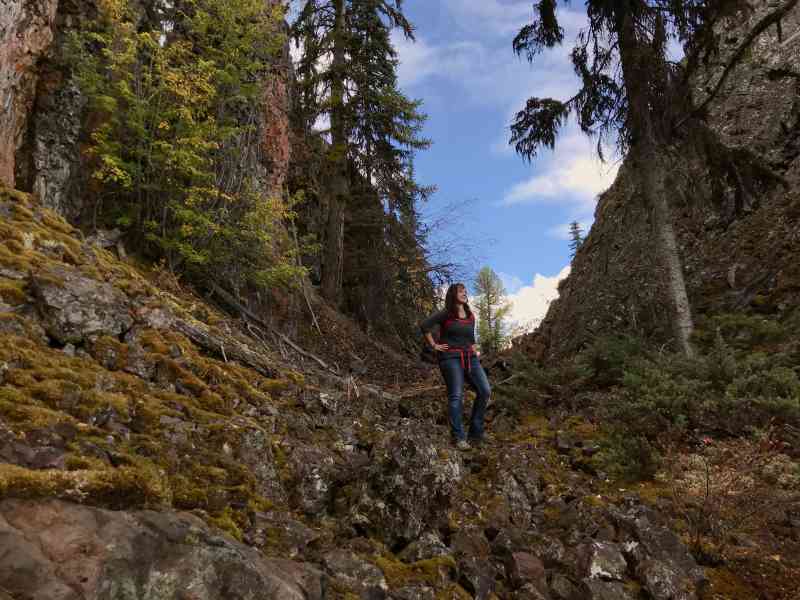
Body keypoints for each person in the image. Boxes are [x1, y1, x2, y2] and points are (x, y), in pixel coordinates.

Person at [420, 283, 491, 450]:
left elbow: (471, 340)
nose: (464, 293)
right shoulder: (446, 314)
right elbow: (424, 326)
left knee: (485, 390)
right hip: (450, 358)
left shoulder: (470, 315)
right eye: (461, 291)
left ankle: (476, 433)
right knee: (456, 395)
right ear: (453, 294)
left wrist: (476, 354)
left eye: (465, 291)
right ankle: (458, 437)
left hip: (470, 358)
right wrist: (434, 345)